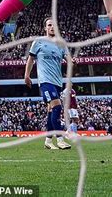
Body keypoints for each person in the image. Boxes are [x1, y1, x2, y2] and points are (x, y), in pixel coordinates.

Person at [25, 17, 71, 150]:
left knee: (51, 110)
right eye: (49, 25)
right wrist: (27, 75)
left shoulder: (61, 44)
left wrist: (72, 61)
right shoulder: (39, 42)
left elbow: (69, 59)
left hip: (57, 82)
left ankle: (48, 141)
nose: (52, 27)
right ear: (45, 28)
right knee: (57, 107)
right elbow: (31, 59)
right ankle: (60, 139)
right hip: (45, 81)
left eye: (54, 25)